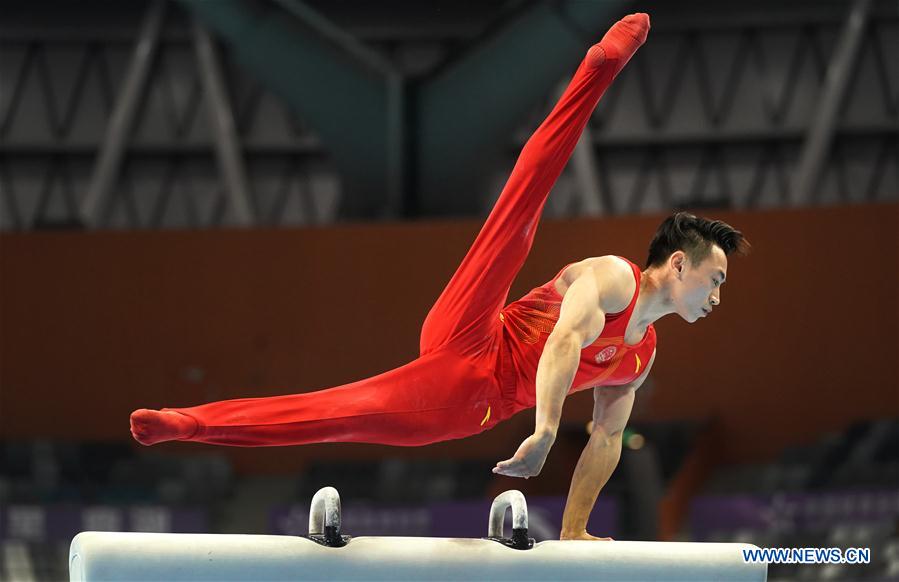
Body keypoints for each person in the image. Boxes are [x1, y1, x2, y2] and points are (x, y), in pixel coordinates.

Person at [130, 12, 750, 540]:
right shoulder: (614, 278)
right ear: (677, 264)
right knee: (520, 214)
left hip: (466, 397)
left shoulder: (640, 355)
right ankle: (599, 68)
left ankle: (189, 423)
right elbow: (564, 341)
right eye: (715, 279)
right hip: (479, 329)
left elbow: (608, 442)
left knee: (334, 413)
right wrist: (544, 429)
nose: (719, 295)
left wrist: (572, 535)